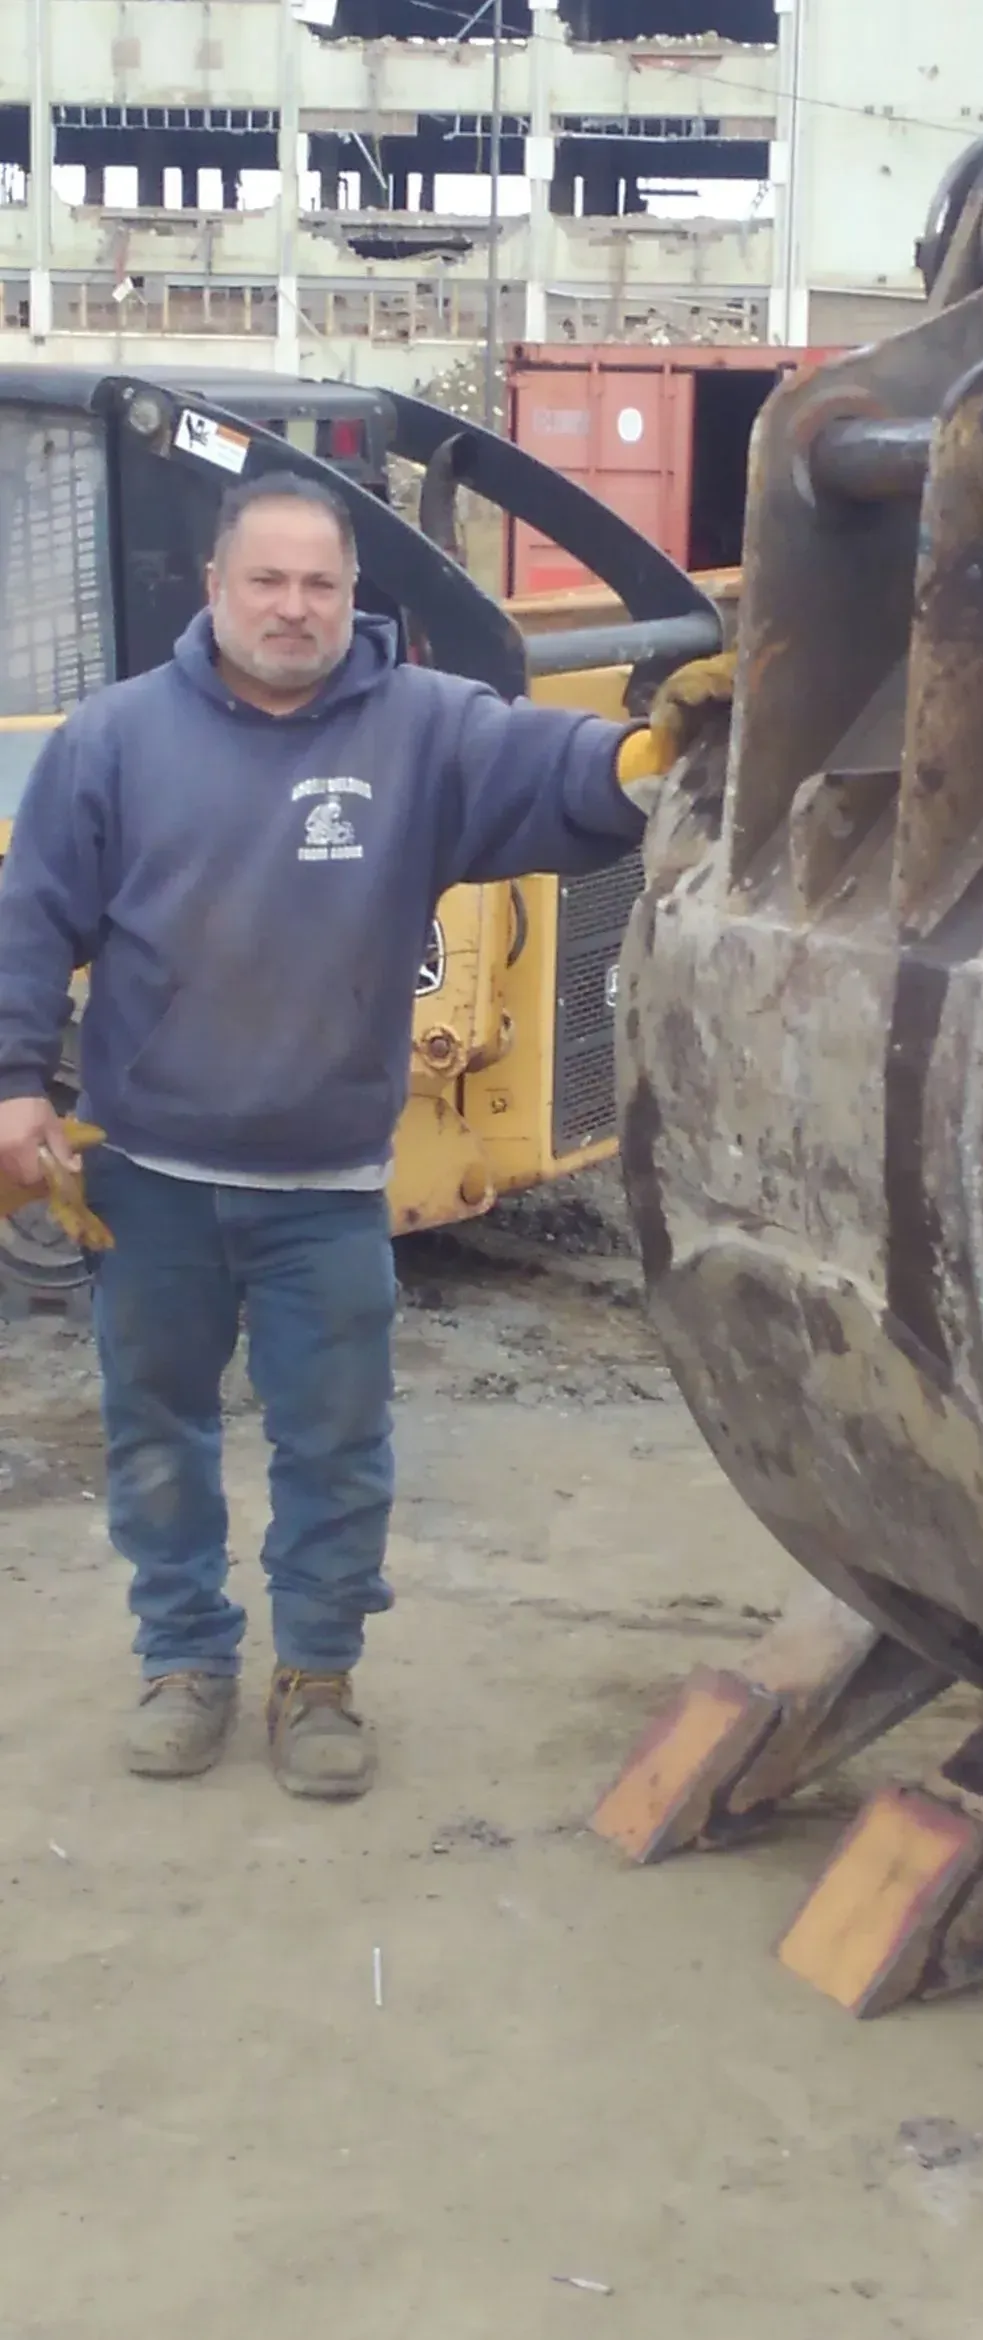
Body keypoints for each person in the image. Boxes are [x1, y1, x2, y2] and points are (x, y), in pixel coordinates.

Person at [0, 469, 729, 1801]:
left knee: (335, 1443)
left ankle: (318, 1677)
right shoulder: (112, 742)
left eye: (320, 584)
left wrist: (653, 756)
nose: (293, 607)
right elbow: (33, 915)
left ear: (353, 600)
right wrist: (13, 1084)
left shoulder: (424, 734)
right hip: (150, 1176)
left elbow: (564, 772)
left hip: (326, 1188)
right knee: (156, 1428)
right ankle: (183, 1661)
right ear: (213, 589)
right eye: (266, 581)